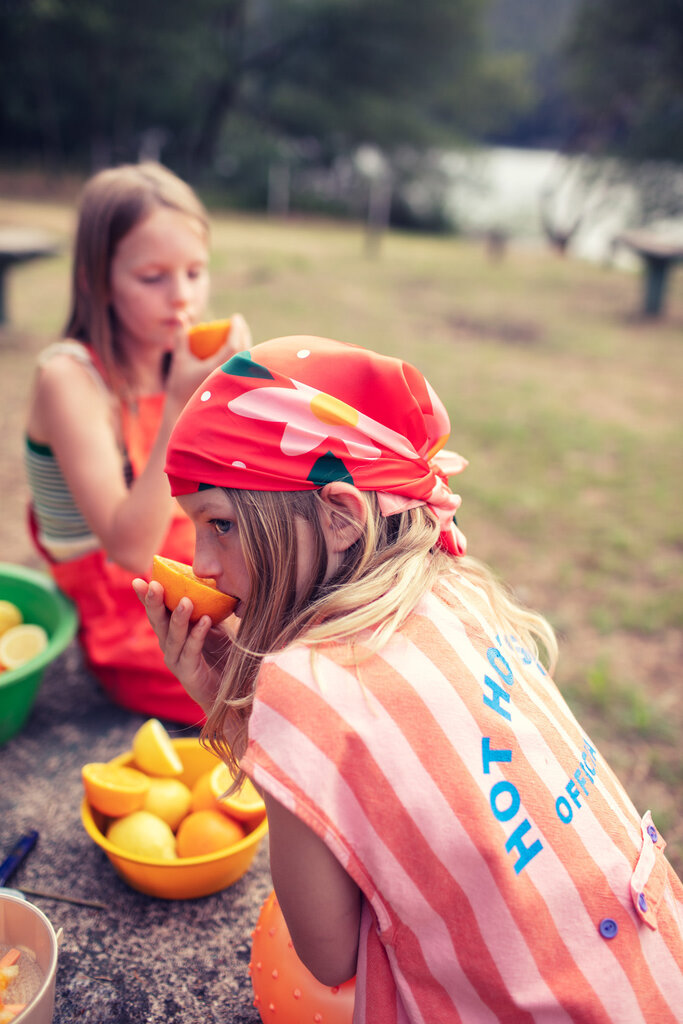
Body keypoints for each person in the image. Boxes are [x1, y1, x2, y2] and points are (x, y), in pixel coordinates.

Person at [133, 335, 683, 1022]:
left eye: (218, 524)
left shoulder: (299, 686)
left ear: (338, 517)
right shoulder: (458, 591)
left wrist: (246, 719)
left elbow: (327, 956)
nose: (201, 564)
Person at [25, 161, 251, 723]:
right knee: (279, 688)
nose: (182, 299)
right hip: (132, 619)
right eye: (153, 278)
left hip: (203, 577)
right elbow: (129, 547)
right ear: (96, 281)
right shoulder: (70, 379)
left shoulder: (178, 361)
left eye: (195, 273)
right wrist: (181, 402)